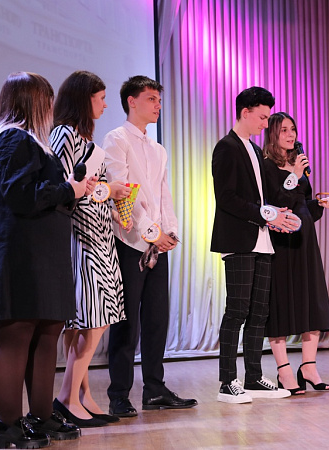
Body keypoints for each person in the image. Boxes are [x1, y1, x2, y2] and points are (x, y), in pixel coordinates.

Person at [0, 72, 88, 448]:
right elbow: (21, 195)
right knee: (17, 335)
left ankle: (41, 417)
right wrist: (68, 188)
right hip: (19, 253)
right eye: (47, 99)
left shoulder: (31, 142)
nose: (52, 107)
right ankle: (6, 426)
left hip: (43, 253)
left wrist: (70, 190)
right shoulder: (11, 137)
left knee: (46, 333)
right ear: (33, 101)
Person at [103, 75, 197, 417]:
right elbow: (122, 193)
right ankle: (119, 393)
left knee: (157, 318)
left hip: (156, 244)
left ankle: (155, 389)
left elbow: (162, 194)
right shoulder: (116, 139)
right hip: (130, 241)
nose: (158, 105)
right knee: (127, 321)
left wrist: (169, 231)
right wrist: (150, 231)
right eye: (151, 99)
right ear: (132, 101)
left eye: (159, 99)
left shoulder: (158, 149)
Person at [49, 71, 130, 427]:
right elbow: (65, 187)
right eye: (100, 98)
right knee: (92, 320)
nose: (105, 105)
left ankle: (82, 396)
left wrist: (110, 197)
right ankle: (66, 399)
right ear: (84, 99)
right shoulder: (64, 134)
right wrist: (109, 190)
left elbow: (89, 187)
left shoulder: (82, 137)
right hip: (82, 236)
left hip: (98, 233)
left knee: (90, 322)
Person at [211, 87, 301, 403]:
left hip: (263, 240)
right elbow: (226, 198)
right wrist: (265, 214)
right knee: (236, 311)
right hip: (239, 239)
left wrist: (291, 181)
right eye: (262, 117)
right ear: (245, 112)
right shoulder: (226, 147)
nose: (266, 124)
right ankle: (227, 381)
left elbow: (269, 196)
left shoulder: (254, 150)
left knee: (259, 313)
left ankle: (253, 378)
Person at [262, 112, 329, 395]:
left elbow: (303, 203)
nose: (290, 134)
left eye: (293, 129)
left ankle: (309, 366)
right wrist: (294, 175)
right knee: (281, 303)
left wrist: (320, 204)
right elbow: (276, 203)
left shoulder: (298, 163)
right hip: (281, 242)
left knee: (312, 301)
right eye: (284, 130)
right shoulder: (266, 165)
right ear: (273, 133)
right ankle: (284, 371)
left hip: (305, 240)